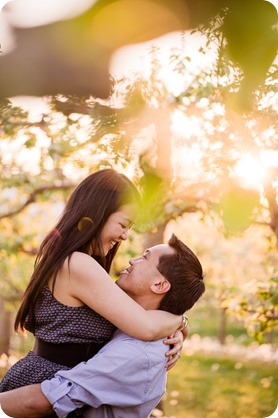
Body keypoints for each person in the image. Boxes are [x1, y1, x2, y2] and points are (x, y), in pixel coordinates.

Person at [0, 169, 185, 393]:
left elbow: (140, 317)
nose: (125, 236)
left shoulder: (75, 261)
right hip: (45, 386)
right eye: (123, 224)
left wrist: (179, 329)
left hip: (61, 384)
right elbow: (145, 327)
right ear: (97, 214)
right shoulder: (77, 264)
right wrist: (180, 321)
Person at [0, 234, 205, 418]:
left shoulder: (135, 354)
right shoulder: (130, 326)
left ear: (159, 285)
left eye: (144, 257)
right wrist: (180, 323)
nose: (132, 260)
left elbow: (44, 400)